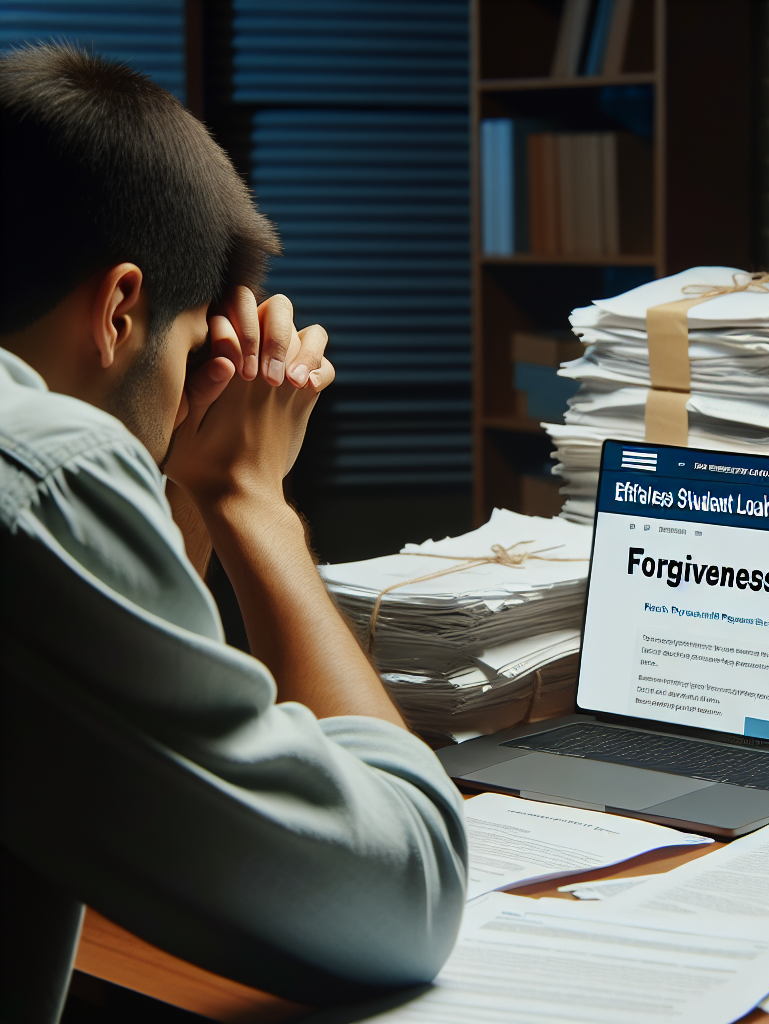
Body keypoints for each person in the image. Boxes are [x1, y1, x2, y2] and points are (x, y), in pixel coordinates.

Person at [0, 43, 467, 1021]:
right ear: (122, 306)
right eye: (185, 354)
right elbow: (399, 894)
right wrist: (248, 494)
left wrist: (174, 484)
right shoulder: (41, 469)